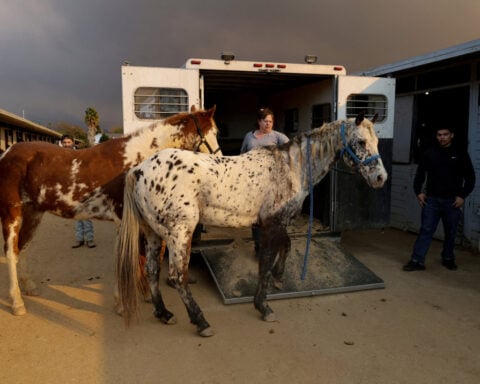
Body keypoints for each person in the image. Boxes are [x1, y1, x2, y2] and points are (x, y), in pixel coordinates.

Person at [403, 126, 475, 272]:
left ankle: (448, 258)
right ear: (436, 136)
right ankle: (417, 260)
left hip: (452, 202)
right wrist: (419, 192)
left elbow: (470, 178)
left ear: (452, 135)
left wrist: (462, 196)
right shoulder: (430, 153)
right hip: (432, 201)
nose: (442, 137)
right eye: (439, 135)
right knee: (426, 230)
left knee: (451, 232)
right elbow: (420, 174)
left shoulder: (460, 154)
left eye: (445, 134)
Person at [240, 108, 290, 252]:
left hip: (271, 182)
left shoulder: (278, 137)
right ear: (259, 122)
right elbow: (242, 155)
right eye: (265, 121)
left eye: (271, 121)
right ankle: (258, 246)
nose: (268, 124)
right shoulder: (249, 137)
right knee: (256, 216)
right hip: (252, 182)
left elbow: (292, 149)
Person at [60, 134, 96, 249]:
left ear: (73, 142)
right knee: (76, 215)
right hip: (71, 190)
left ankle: (89, 239)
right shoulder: (60, 156)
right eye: (64, 142)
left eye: (68, 142)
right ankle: (79, 239)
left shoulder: (81, 154)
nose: (66, 144)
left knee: (85, 214)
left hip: (83, 188)